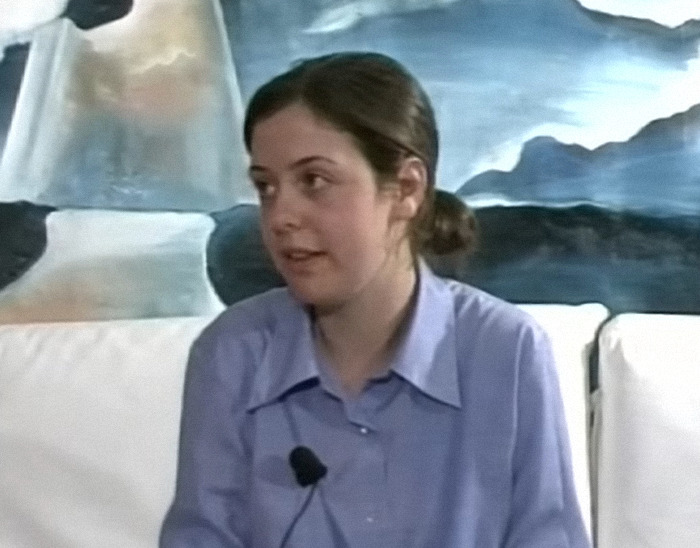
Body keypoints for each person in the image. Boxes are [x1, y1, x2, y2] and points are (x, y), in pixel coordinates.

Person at [160, 52, 590, 547]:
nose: (280, 216)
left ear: (406, 188)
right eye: (266, 187)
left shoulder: (506, 352)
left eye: (313, 181)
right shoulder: (231, 353)